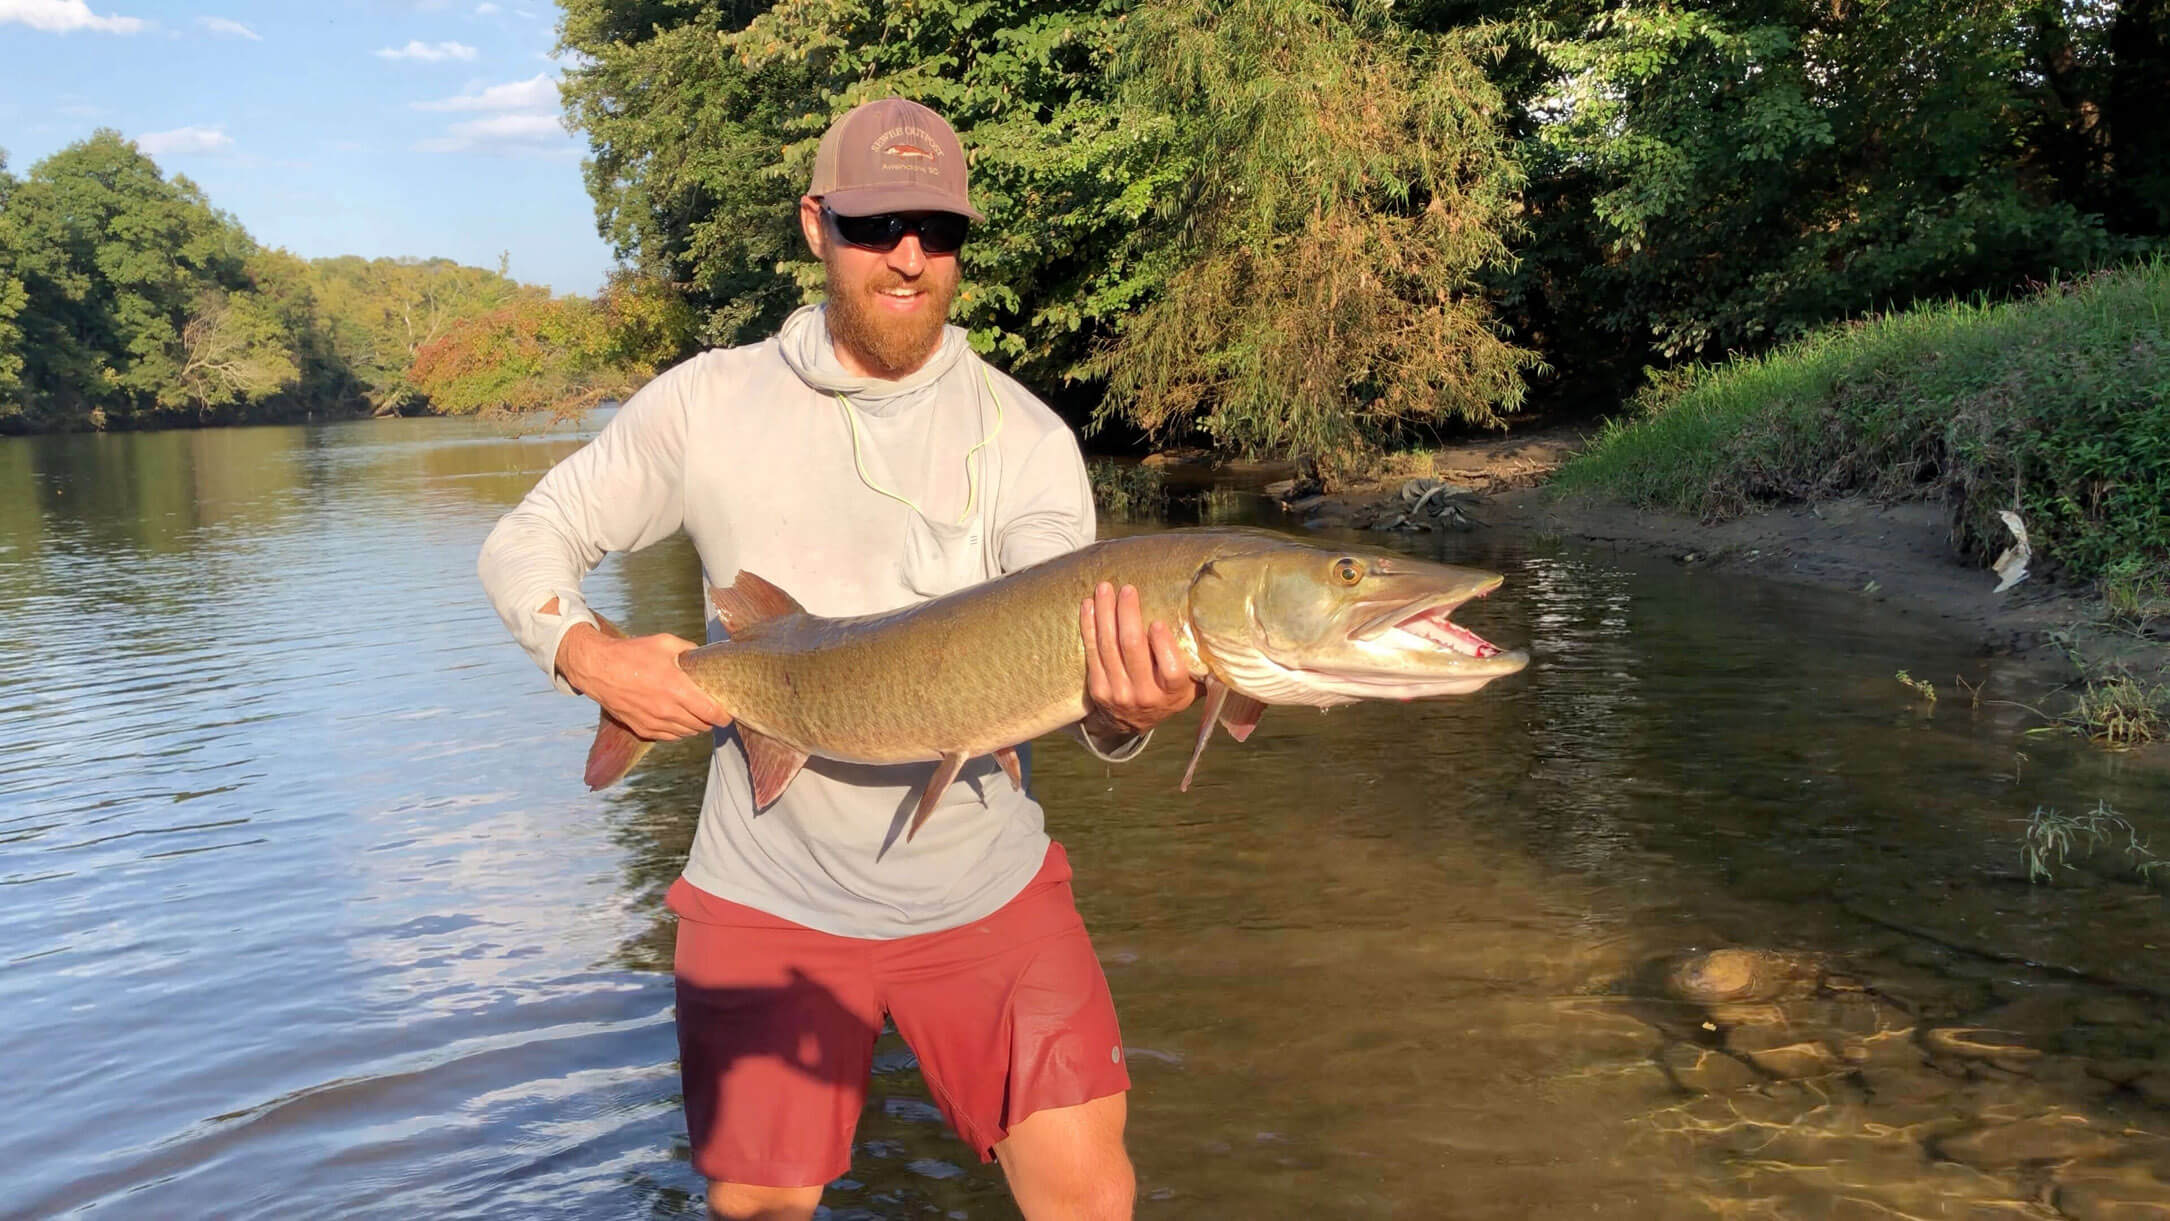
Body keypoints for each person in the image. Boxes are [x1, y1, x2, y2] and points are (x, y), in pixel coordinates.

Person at [478, 96, 1196, 1221]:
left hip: (982, 883)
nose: (908, 258)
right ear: (817, 225)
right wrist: (589, 654)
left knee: (1090, 1197)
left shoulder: (1026, 438)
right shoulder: (706, 404)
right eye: (875, 225)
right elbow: (525, 539)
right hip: (767, 889)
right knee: (760, 1208)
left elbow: (1078, 663)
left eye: (937, 230)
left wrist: (1130, 710)